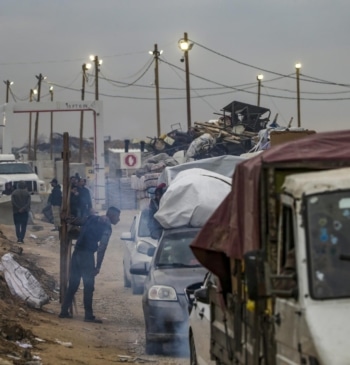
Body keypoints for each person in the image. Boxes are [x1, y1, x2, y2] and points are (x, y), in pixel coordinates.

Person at [58, 206, 121, 323]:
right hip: (86, 257)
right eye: (118, 216)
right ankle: (88, 315)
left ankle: (63, 311)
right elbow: (102, 247)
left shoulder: (91, 218)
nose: (119, 219)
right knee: (88, 286)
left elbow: (76, 221)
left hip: (76, 254)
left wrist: (66, 218)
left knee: (73, 284)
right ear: (111, 216)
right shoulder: (107, 227)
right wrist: (98, 266)